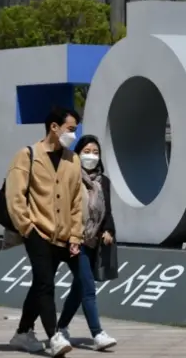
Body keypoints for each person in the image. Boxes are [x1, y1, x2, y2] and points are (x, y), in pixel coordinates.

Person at [6, 107, 84, 357]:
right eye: (70, 129)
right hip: (36, 230)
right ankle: (54, 337)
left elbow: (76, 202)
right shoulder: (27, 155)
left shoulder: (73, 159)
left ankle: (22, 333)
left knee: (40, 284)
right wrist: (27, 227)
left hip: (62, 236)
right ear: (54, 127)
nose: (73, 134)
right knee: (46, 284)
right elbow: (15, 195)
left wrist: (75, 235)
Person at [56, 134, 118, 351]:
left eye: (95, 152)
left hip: (94, 241)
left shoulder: (104, 181)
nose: (91, 156)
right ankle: (97, 333)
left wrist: (108, 229)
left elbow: (107, 209)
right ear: (78, 152)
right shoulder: (70, 177)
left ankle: (61, 327)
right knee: (88, 287)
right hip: (74, 240)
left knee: (79, 287)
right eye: (87, 151)